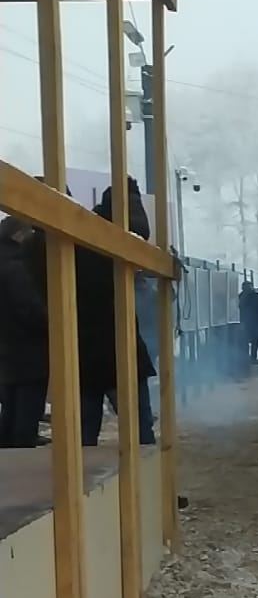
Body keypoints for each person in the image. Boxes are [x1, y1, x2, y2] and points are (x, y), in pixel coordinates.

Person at [76, 176, 157, 446]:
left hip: (83, 346)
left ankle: (78, 486)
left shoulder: (81, 233)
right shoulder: (119, 236)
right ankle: (149, 483)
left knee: (84, 430)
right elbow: (140, 231)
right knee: (139, 426)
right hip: (119, 341)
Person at [0, 215, 49, 447]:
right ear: (18, 235)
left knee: (9, 414)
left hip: (7, 352)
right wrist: (54, 323)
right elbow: (29, 308)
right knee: (25, 419)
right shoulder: (16, 267)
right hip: (27, 352)